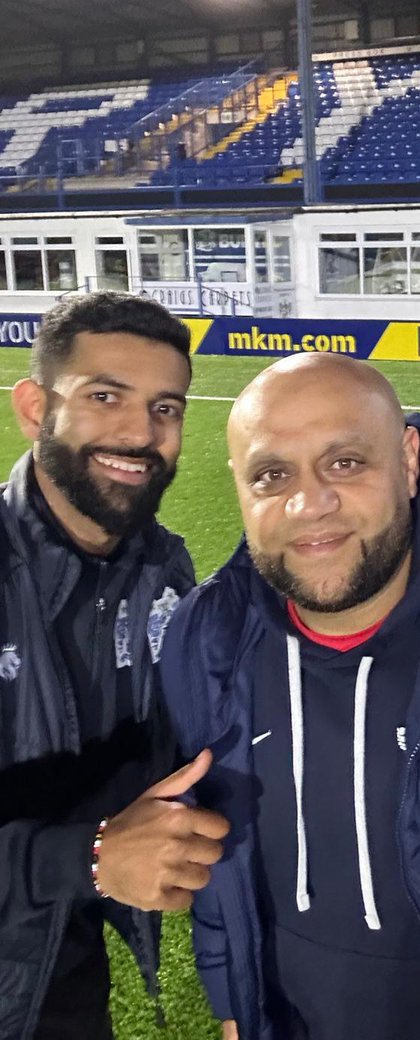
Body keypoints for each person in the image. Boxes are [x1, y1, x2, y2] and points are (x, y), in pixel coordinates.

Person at [160, 353, 420, 1040]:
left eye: (345, 463)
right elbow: (222, 854)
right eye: (272, 475)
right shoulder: (207, 639)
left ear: (409, 459)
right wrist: (232, 1001)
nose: (310, 505)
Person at [0, 293, 229, 1040]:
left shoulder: (161, 570)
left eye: (166, 408)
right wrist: (89, 859)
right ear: (36, 409)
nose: (140, 433)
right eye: (105, 397)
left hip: (63, 978)